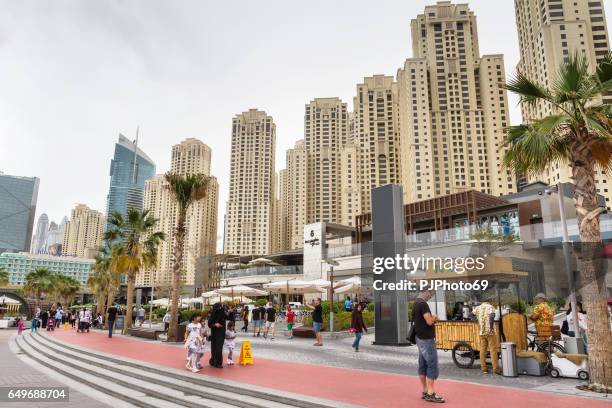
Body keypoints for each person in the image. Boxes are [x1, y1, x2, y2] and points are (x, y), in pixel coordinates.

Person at [413, 290, 444, 403]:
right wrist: (434, 318)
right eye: (430, 294)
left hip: (419, 337)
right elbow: (429, 322)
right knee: (431, 364)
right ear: (425, 291)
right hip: (426, 338)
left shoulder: (416, 303)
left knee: (422, 364)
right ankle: (431, 393)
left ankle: (425, 390)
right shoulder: (423, 304)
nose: (430, 297)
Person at [473, 297, 500, 374]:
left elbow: (470, 314)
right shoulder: (490, 307)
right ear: (489, 301)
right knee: (493, 350)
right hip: (490, 332)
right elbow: (492, 316)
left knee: (482, 350)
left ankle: (484, 369)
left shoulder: (478, 308)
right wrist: (491, 327)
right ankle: (496, 369)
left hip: (482, 332)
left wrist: (478, 321)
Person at [208, 303, 226, 368]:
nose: (220, 310)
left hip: (221, 334)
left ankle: (218, 363)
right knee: (214, 348)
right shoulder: (213, 314)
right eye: (218, 308)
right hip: (214, 334)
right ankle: (213, 361)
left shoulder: (222, 314)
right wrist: (215, 325)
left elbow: (228, 318)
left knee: (219, 349)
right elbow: (209, 324)